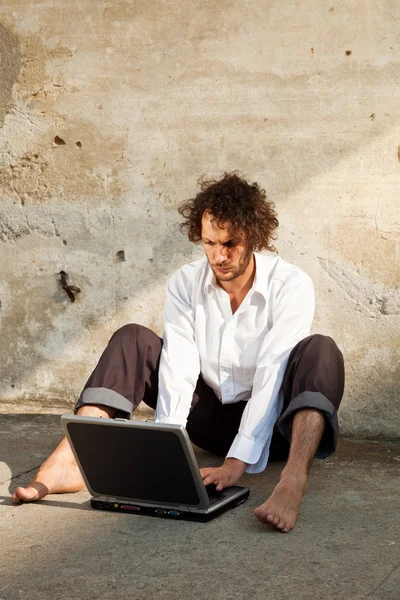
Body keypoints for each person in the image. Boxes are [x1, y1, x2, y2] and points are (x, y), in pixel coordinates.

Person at [12, 173, 344, 533]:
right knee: (133, 338)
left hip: (278, 428)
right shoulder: (185, 283)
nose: (219, 255)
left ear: (253, 236)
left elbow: (272, 372)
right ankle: (69, 460)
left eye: (230, 243)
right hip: (210, 420)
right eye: (209, 242)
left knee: (321, 351)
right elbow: (179, 365)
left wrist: (237, 461)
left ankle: (293, 481)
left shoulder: (291, 285)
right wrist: (168, 456)